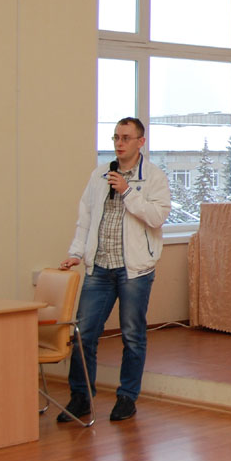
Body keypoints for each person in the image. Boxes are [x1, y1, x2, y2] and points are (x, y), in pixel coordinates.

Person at [57, 117, 171, 422]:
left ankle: (126, 397)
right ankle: (81, 397)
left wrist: (127, 191)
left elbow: (157, 217)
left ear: (140, 142)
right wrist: (76, 253)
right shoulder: (99, 175)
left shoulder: (154, 177)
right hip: (99, 267)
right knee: (83, 334)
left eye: (125, 138)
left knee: (132, 336)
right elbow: (85, 217)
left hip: (134, 270)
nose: (119, 143)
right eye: (116, 137)